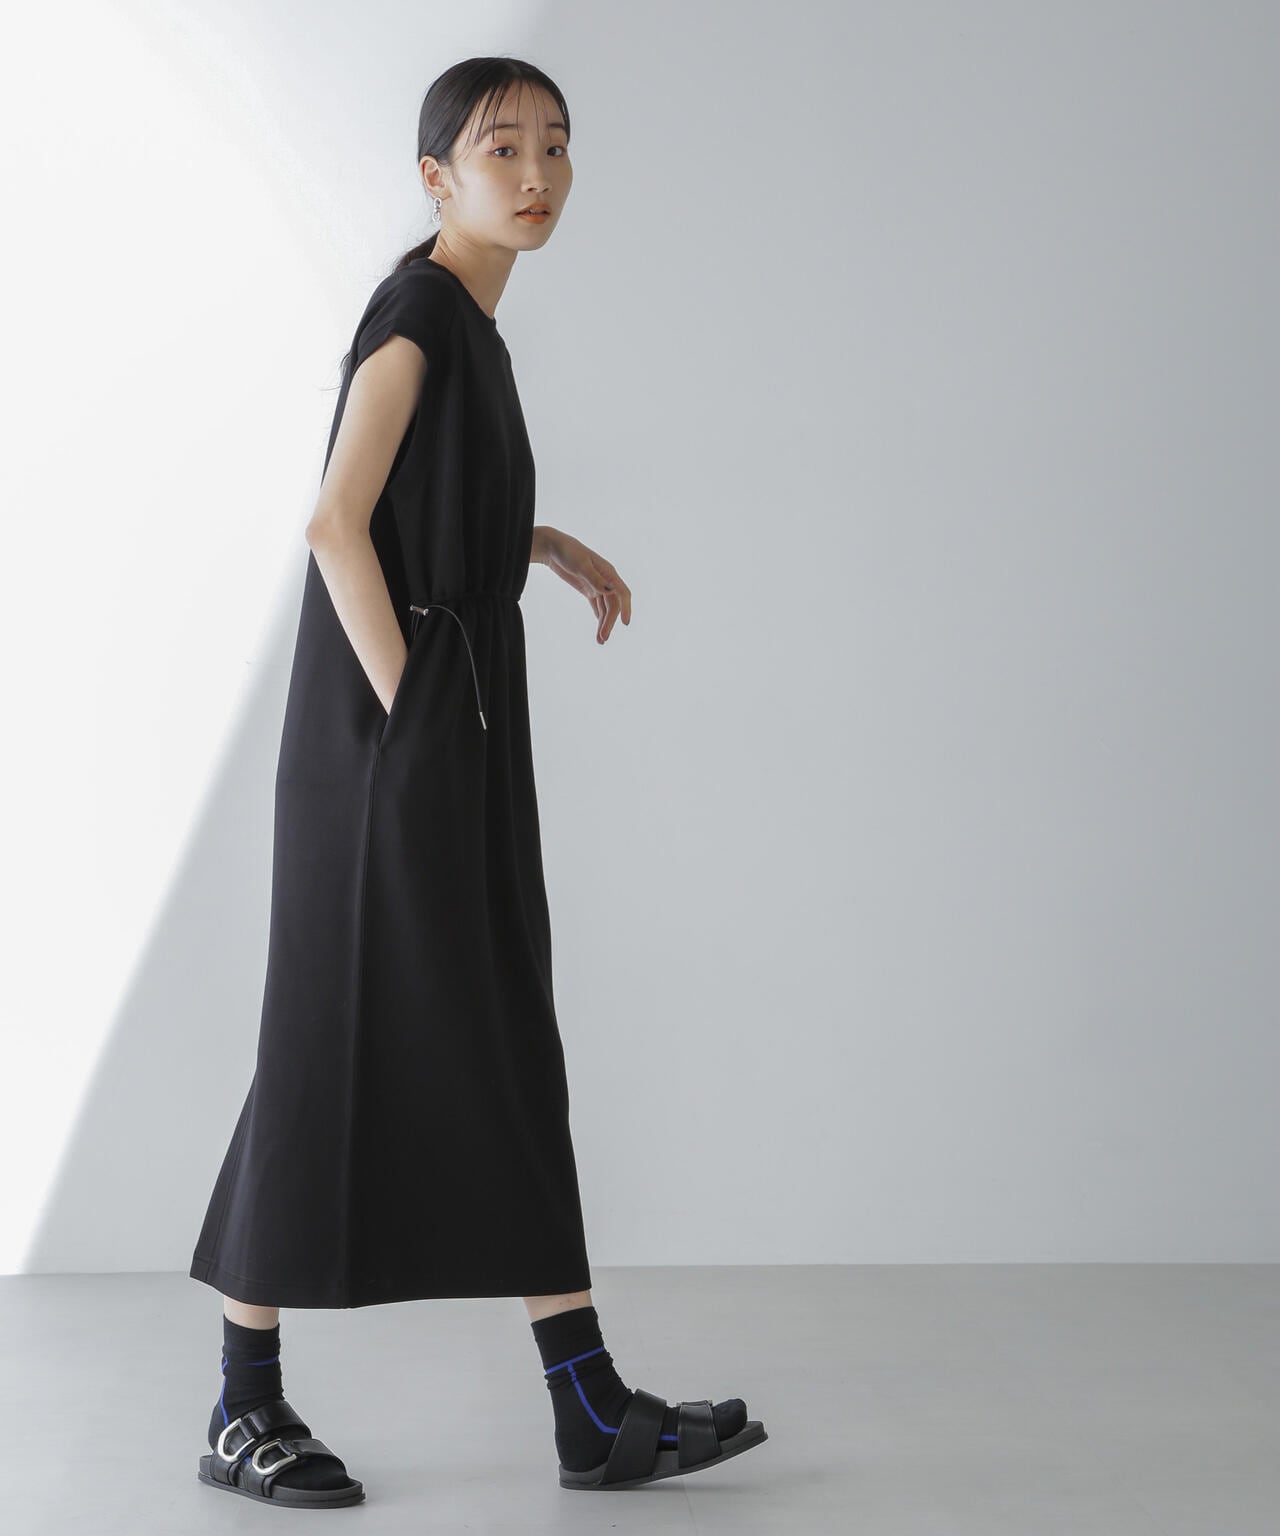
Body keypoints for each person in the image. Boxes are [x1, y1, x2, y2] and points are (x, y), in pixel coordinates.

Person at [189, 56, 767, 1508]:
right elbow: (336, 524)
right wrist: (416, 719)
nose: (537, 173)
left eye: (556, 146)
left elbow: (417, 504)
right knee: (326, 1049)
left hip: (445, 726)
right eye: (501, 147)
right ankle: (241, 1407)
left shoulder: (472, 327)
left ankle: (588, 1404)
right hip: (394, 741)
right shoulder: (420, 317)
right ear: (436, 177)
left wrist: (535, 543)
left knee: (502, 1034)